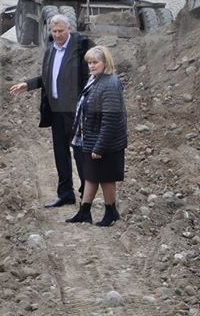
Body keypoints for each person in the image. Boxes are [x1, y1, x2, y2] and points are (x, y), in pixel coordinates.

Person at [9, 13, 94, 208]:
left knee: (80, 152)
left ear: (69, 29)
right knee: (60, 152)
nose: (57, 35)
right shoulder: (51, 49)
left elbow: (93, 74)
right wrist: (28, 84)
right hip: (55, 109)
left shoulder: (82, 47)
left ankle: (85, 196)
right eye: (54, 31)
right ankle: (65, 194)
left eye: (61, 31)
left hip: (75, 110)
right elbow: (48, 76)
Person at [65, 45, 128, 227]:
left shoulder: (109, 84)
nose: (91, 66)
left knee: (106, 177)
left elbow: (111, 119)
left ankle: (110, 213)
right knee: (92, 176)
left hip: (106, 141)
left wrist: (100, 146)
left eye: (95, 62)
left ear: (105, 62)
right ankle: (85, 211)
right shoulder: (96, 80)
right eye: (89, 63)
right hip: (92, 138)